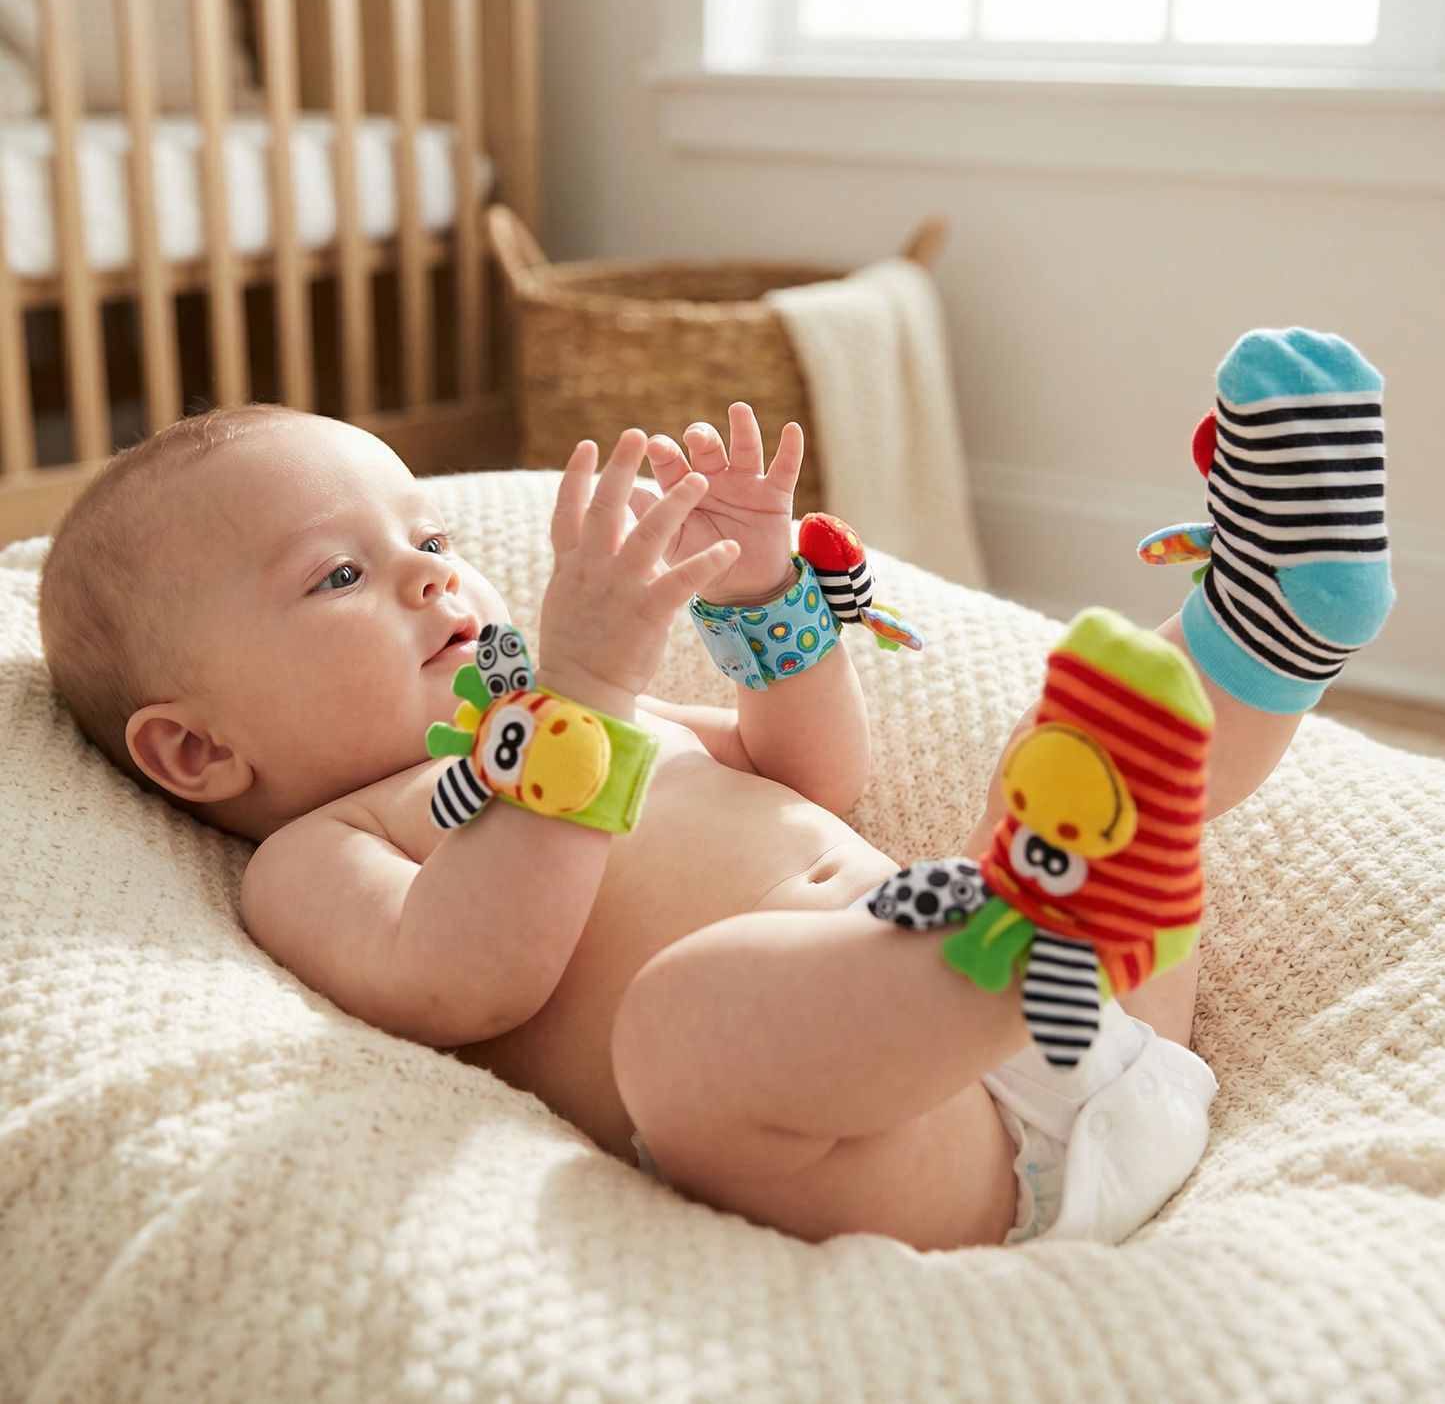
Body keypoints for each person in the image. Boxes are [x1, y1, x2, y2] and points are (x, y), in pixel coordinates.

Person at [38, 328, 1392, 1249]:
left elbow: (808, 772)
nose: (434, 575)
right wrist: (585, 690)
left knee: (1065, 767)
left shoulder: (560, 722)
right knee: (681, 1038)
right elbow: (474, 976)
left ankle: (1258, 637)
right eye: (339, 575)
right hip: (920, 1147)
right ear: (197, 752)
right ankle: (1034, 894)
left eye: (431, 537)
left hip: (1094, 1020)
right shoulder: (324, 849)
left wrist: (762, 603)